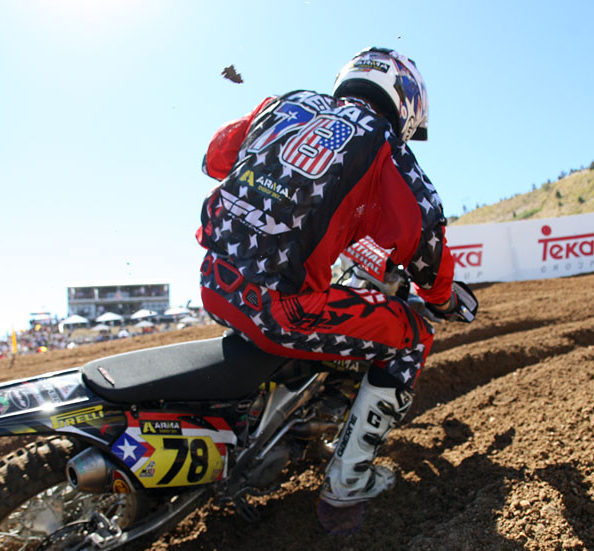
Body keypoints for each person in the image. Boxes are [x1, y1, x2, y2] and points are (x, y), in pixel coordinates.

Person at [196, 47, 463, 516]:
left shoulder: (285, 103)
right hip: (282, 309)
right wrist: (441, 300)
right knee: (412, 339)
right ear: (406, 103)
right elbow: (425, 238)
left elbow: (215, 159)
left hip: (214, 281)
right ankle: (348, 483)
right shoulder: (383, 144)